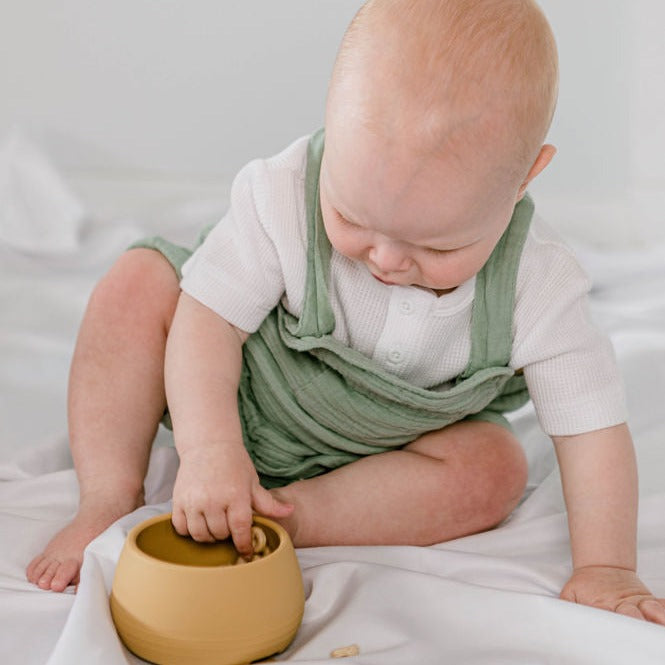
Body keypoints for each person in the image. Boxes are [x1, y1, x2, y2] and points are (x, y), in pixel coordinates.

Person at [26, 0, 665, 624]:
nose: (384, 258)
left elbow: (592, 430)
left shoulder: (539, 279)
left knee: (495, 466)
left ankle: (286, 516)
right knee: (140, 281)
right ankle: (106, 499)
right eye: (352, 218)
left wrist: (607, 566)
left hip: (382, 456)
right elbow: (207, 322)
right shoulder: (282, 191)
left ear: (525, 177)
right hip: (236, 391)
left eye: (439, 245)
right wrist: (210, 450)